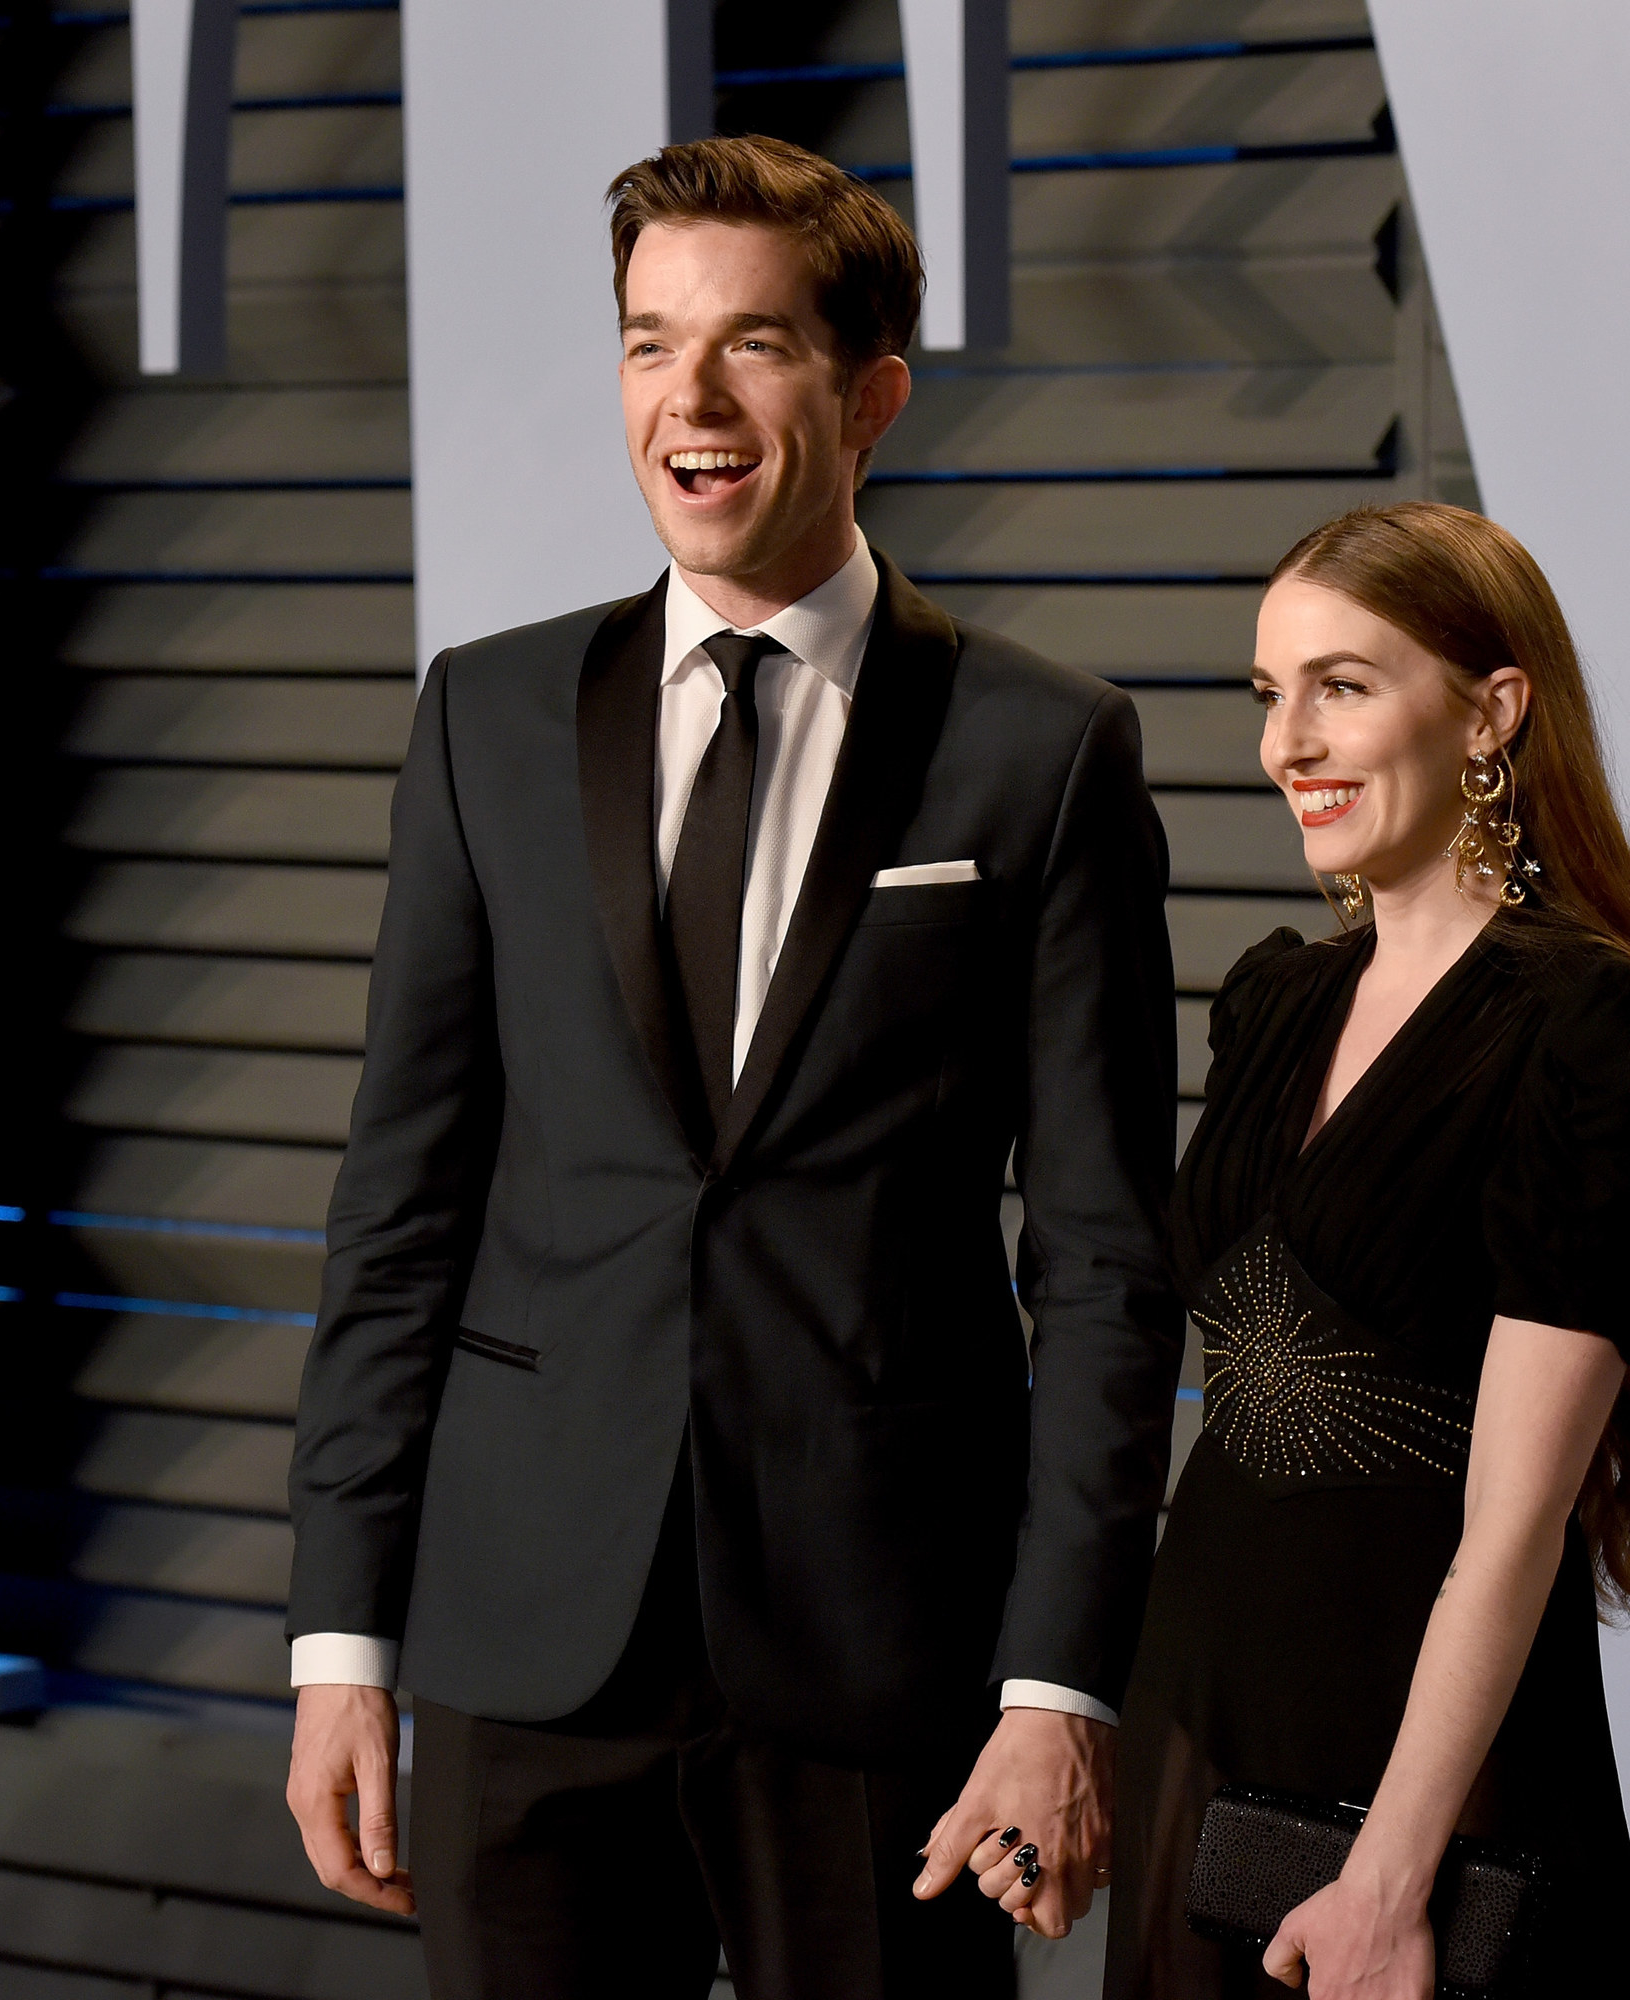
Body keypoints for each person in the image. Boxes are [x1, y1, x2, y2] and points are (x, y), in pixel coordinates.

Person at [282, 134, 1187, 1999]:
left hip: (881, 1659)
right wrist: (341, 1647)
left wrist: (1053, 1684)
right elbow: (400, 1202)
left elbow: (1104, 1268)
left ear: (870, 398)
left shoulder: (1046, 749)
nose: (687, 401)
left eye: (751, 345)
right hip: (527, 1636)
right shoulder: (487, 714)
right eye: (645, 343)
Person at [1103, 502, 1630, 1998]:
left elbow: (1514, 1529)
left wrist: (1390, 1877)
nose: (1289, 745)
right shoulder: (1276, 1004)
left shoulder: (1598, 1037)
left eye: (1342, 685)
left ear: (1492, 712)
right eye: (1271, 696)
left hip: (1428, 1796)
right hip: (1198, 1713)